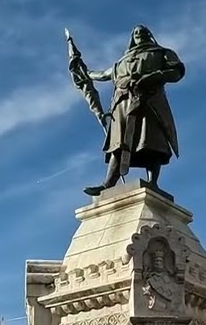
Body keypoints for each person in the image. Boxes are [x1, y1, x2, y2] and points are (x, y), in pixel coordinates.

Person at [78, 24, 184, 196]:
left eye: (142, 32)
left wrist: (155, 76)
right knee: (118, 144)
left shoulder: (161, 53)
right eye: (136, 33)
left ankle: (152, 183)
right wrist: (84, 71)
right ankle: (107, 184)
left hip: (149, 102)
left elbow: (176, 72)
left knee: (151, 141)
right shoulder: (121, 62)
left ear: (149, 35)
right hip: (122, 104)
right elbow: (102, 75)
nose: (139, 34)